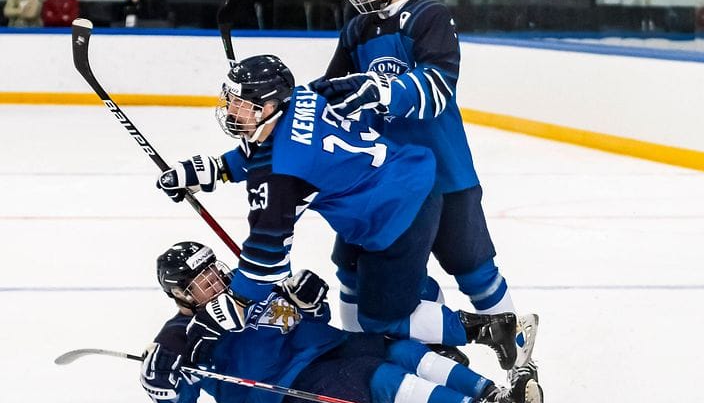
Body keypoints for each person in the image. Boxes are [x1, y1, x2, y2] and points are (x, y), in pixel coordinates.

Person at [155, 54, 535, 374]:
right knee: (361, 275)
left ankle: (492, 330)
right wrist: (214, 169)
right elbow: (272, 151)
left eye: (240, 103)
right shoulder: (304, 97)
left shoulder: (284, 173)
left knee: (379, 318)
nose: (231, 110)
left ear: (268, 106)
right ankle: (437, 345)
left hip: (396, 214)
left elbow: (267, 253)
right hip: (403, 182)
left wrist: (237, 300)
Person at [310, 0, 539, 383]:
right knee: (356, 271)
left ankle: (519, 357)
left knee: (475, 271)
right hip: (383, 183)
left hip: (444, 173)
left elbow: (437, 86)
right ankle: (367, 358)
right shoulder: (357, 30)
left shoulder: (428, 16)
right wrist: (286, 106)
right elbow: (331, 94)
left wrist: (375, 91)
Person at [141, 241, 542, 403]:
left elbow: (313, 318)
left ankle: (491, 393)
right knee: (380, 377)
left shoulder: (251, 286)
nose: (215, 283)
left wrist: (310, 302)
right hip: (281, 389)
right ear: (180, 294)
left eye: (214, 272)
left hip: (323, 347)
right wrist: (164, 378)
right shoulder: (179, 337)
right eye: (202, 282)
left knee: (400, 348)